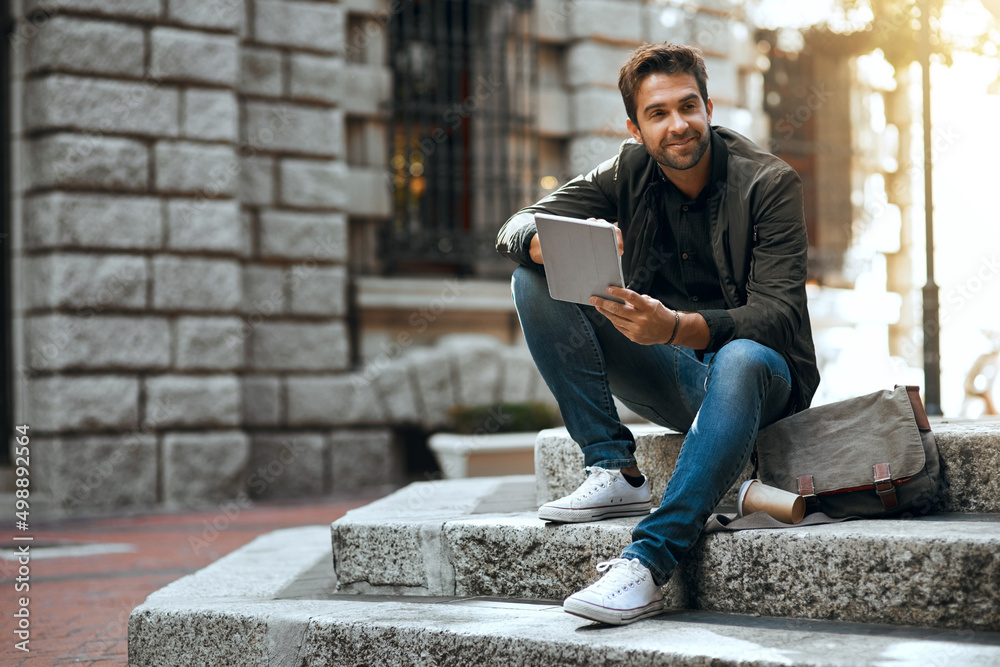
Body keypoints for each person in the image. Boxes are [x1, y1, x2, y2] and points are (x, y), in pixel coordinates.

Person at [495, 42, 819, 626]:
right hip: (680, 381)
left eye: (688, 106)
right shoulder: (626, 170)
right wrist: (546, 242)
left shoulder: (769, 183)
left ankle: (645, 563)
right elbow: (517, 225)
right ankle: (613, 467)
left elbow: (778, 314)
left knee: (741, 356)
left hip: (765, 388)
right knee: (532, 279)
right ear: (635, 126)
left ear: (709, 107)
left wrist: (675, 327)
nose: (678, 125)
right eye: (659, 113)